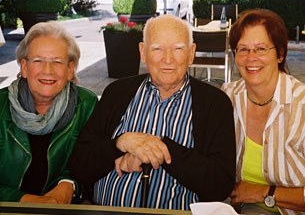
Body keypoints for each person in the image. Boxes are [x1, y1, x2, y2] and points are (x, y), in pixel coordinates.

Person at [69, 14, 236, 210]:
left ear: (191, 53)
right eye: (157, 49)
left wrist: (157, 148)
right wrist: (121, 143)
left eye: (178, 49)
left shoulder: (214, 103)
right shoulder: (116, 93)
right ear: (142, 52)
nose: (167, 59)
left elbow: (220, 184)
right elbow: (80, 165)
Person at [0, 21, 98, 204]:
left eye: (57, 62)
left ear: (70, 70)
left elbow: (92, 163)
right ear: (24, 67)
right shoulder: (0, 105)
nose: (48, 70)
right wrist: (25, 200)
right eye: (38, 61)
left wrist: (69, 184)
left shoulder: (87, 105)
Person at [222, 9, 305, 214]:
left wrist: (263, 192)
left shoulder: (301, 106)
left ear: (280, 54)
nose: (251, 58)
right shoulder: (227, 98)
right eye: (242, 49)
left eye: (261, 49)